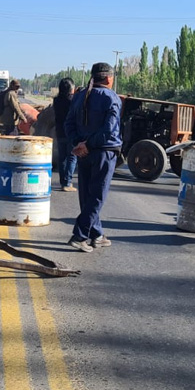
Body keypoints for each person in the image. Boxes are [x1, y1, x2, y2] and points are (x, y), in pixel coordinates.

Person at [64, 62, 122, 252]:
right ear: (108, 78)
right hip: (103, 151)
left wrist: (78, 144)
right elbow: (109, 130)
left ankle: (97, 235)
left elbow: (69, 123)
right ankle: (80, 235)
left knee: (86, 195)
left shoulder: (80, 96)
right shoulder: (111, 98)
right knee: (97, 196)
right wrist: (87, 144)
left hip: (84, 153)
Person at [51, 77, 77, 192]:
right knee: (72, 157)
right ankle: (68, 182)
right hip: (71, 132)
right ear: (71, 89)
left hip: (60, 131)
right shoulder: (73, 101)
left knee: (62, 157)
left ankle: (63, 182)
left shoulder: (57, 100)